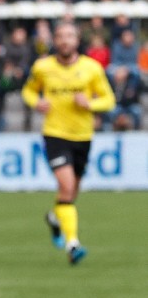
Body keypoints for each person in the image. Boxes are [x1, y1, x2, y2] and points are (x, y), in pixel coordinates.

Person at [21, 21, 116, 265]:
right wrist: (37, 103)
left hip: (83, 136)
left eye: (70, 36)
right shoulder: (42, 67)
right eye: (61, 36)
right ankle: (73, 245)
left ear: (77, 40)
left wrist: (90, 104)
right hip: (54, 134)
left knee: (71, 194)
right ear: (55, 40)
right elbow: (28, 91)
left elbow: (109, 100)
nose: (65, 40)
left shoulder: (91, 68)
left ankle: (55, 219)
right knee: (66, 186)